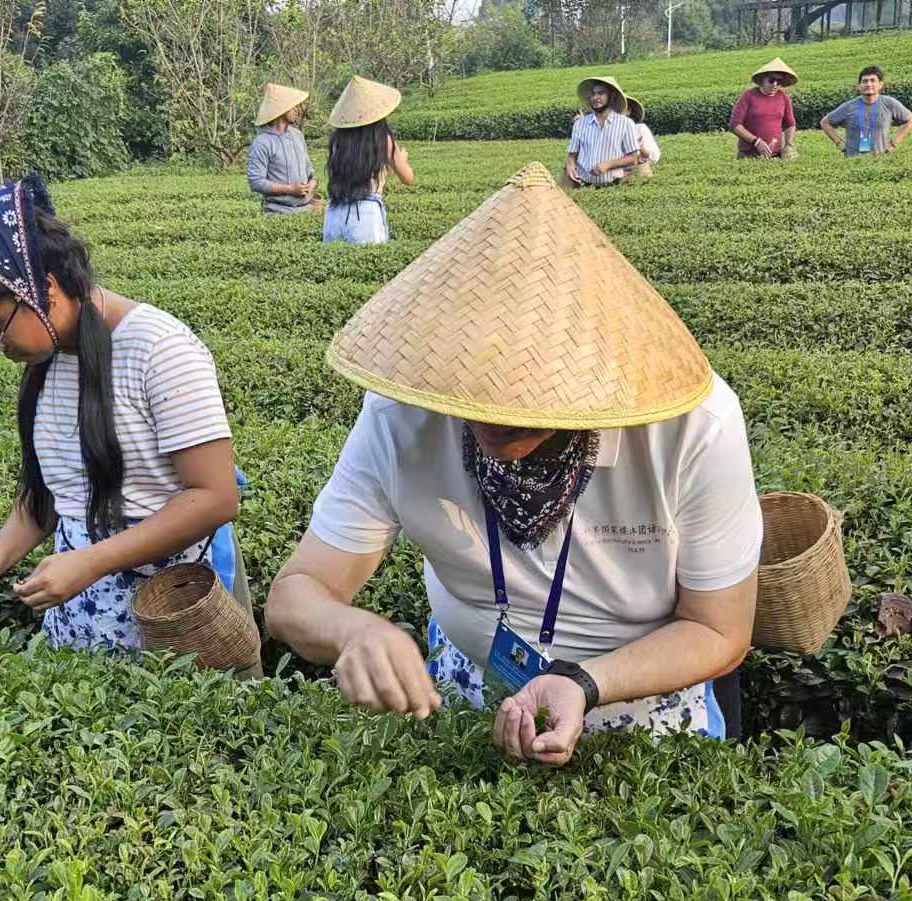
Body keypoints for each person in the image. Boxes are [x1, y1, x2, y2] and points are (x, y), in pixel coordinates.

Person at [267, 163, 762, 766]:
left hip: (637, 703)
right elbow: (296, 593)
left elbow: (720, 630)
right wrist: (354, 631)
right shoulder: (401, 416)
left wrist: (582, 682)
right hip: (464, 683)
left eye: (530, 399)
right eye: (477, 392)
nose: (497, 418)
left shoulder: (691, 427)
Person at [0, 173, 258, 662]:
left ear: (45, 288)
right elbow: (58, 495)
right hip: (86, 608)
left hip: (176, 607)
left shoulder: (159, 349)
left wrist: (90, 562)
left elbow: (214, 498)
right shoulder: (49, 359)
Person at [324, 76, 415, 245]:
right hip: (365, 214)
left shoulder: (337, 140)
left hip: (334, 211)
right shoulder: (383, 140)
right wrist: (401, 159)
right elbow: (408, 178)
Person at [247, 83, 318, 215]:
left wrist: (312, 184)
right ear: (281, 109)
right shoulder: (262, 143)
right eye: (293, 107)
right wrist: (290, 189)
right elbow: (256, 181)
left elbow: (310, 172)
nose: (297, 110)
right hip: (277, 212)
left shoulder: (297, 135)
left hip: (306, 210)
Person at [562, 75, 643, 188]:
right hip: (583, 186)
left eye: (601, 93)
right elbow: (572, 155)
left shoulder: (625, 123)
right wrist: (570, 165)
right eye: (593, 94)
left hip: (614, 186)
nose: (595, 97)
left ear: (612, 96)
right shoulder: (580, 124)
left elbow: (634, 158)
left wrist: (608, 164)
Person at [820, 66, 912, 157]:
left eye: (872, 80)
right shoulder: (849, 106)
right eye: (864, 81)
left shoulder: (889, 103)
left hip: (881, 159)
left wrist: (893, 143)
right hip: (854, 161)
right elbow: (825, 122)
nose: (868, 84)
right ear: (859, 86)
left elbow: (911, 120)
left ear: (880, 84)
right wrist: (840, 144)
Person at [729, 58, 798, 160]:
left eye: (779, 82)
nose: (775, 84)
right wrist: (756, 141)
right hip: (749, 155)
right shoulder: (748, 96)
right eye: (771, 80)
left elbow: (790, 124)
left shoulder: (783, 97)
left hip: (775, 156)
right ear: (763, 79)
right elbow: (735, 125)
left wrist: (788, 145)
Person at [625, 95, 661, 177]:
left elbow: (653, 156)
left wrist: (638, 145)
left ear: (628, 110)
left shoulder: (639, 129)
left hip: (636, 175)